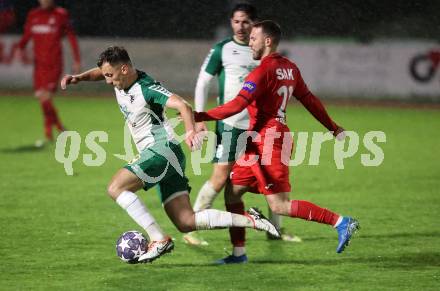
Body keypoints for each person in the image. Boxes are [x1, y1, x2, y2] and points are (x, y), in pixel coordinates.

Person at [60, 46, 280, 263]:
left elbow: (182, 105)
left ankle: (158, 239)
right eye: (105, 75)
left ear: (124, 69)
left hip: (160, 150)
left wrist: (191, 130)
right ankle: (251, 220)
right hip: (168, 156)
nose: (108, 81)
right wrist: (79, 78)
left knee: (116, 188)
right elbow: (101, 72)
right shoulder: (119, 78)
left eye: (110, 75)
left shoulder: (147, 88)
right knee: (186, 221)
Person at [194, 20, 360, 263]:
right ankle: (239, 254)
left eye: (253, 38)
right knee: (233, 192)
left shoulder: (261, 72)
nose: (249, 42)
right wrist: (333, 128)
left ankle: (341, 222)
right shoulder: (290, 68)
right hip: (257, 142)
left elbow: (237, 105)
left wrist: (200, 115)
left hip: (270, 142)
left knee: (280, 205)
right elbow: (310, 100)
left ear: (267, 41)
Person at [185, 2, 300, 248]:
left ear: (255, 24)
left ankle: (275, 230)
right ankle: (191, 225)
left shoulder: (263, 50)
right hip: (231, 125)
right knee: (220, 177)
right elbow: (202, 83)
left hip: (261, 127)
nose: (240, 26)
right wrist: (199, 119)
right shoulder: (222, 49)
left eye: (246, 21)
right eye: (236, 21)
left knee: (272, 178)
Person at [14, 0, 81, 145]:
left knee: (45, 97)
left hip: (53, 64)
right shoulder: (33, 15)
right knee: (42, 98)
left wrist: (76, 60)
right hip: (38, 65)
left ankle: (53, 130)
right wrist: (20, 48)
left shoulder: (61, 14)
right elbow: (26, 36)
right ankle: (55, 131)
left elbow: (71, 37)